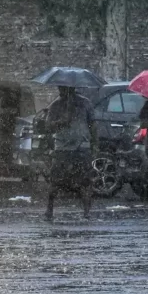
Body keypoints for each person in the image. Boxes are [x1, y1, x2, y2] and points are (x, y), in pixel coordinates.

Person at [44, 86, 98, 220]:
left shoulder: (85, 103)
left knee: (85, 181)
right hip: (63, 148)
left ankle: (87, 212)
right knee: (55, 181)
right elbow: (48, 126)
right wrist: (62, 121)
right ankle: (49, 211)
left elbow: (93, 124)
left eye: (64, 89)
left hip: (82, 147)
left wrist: (95, 145)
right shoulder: (56, 105)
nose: (61, 91)